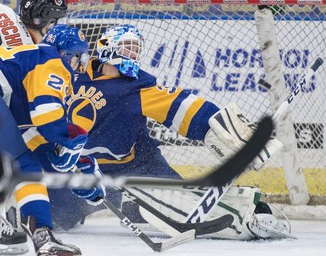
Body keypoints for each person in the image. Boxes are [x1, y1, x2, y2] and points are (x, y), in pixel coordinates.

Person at [40, 24, 287, 240]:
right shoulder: (69, 78)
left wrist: (221, 126)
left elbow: (186, 109)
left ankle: (253, 212)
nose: (133, 55)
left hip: (138, 168)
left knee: (189, 208)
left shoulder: (138, 87)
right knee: (50, 217)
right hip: (83, 171)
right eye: (127, 48)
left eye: (136, 49)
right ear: (107, 48)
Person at [0, 24, 96, 256]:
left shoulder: (27, 64)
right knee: (25, 167)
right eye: (77, 56)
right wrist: (69, 144)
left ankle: (41, 234)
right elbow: (47, 116)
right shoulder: (52, 62)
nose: (78, 63)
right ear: (66, 53)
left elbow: (30, 135)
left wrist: (70, 164)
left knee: (21, 164)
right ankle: (42, 236)